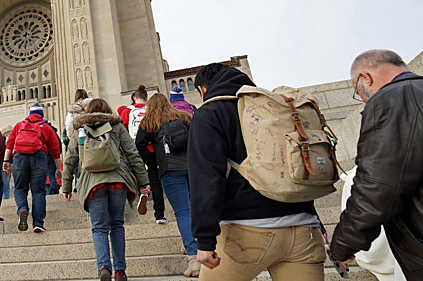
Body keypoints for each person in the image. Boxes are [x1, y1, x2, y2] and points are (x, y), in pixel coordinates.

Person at [330, 50, 423, 280]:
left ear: (365, 78)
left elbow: (377, 187)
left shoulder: (392, 99)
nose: (362, 99)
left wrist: (342, 246)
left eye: (357, 92)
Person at [189, 63, 323, 281]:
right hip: (304, 229)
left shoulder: (211, 112)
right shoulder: (275, 109)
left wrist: (205, 240)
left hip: (247, 231)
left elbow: (206, 179)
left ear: (202, 90)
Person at [62, 98, 151, 281]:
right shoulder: (117, 126)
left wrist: (67, 186)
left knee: (99, 228)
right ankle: (120, 270)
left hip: (93, 185)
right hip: (118, 181)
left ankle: (104, 267)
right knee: (117, 225)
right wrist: (143, 181)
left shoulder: (80, 129)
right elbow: (132, 153)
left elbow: (70, 159)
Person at [138, 94, 201, 277]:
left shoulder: (149, 122)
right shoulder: (184, 117)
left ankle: (194, 258)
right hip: (192, 167)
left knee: (183, 212)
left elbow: (140, 144)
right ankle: (195, 242)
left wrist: (154, 161)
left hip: (170, 170)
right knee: (195, 208)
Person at [3, 102, 62, 233]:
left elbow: (10, 144)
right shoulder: (46, 127)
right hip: (39, 157)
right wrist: (58, 169)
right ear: (42, 115)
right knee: (38, 191)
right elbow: (55, 149)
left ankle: (22, 209)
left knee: (19, 188)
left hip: (19, 158)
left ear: (29, 114)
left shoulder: (19, 125)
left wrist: (6, 160)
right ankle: (38, 223)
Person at [123, 87, 166, 224]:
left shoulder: (127, 111)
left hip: (133, 147)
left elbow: (123, 128)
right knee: (155, 179)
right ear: (146, 98)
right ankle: (159, 214)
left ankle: (138, 193)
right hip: (151, 148)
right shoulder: (151, 110)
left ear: (134, 98)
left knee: (134, 171)